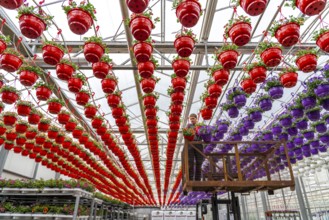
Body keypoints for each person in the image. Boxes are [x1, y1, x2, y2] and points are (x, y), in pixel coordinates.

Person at [186, 113, 204, 181]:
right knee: (190, 162)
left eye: (193, 118)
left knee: (199, 162)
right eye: (190, 119)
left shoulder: (200, 125)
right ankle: (190, 179)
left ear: (196, 119)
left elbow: (204, 134)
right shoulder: (189, 126)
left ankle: (197, 179)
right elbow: (186, 135)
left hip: (199, 144)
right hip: (191, 145)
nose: (191, 120)